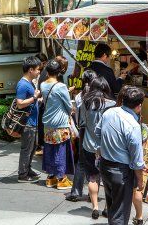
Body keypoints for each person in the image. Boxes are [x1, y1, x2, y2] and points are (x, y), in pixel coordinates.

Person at [95, 86, 145, 225]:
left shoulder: (109, 113)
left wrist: (103, 148)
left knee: (113, 207)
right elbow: (137, 160)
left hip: (105, 166)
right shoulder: (133, 125)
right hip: (121, 171)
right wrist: (140, 180)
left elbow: (97, 132)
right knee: (120, 214)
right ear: (139, 106)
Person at [81, 77, 116, 219]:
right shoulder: (112, 104)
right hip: (107, 147)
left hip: (89, 145)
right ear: (106, 88)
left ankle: (95, 207)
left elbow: (82, 121)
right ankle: (108, 208)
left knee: (92, 177)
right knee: (109, 179)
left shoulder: (86, 102)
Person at [41, 59, 74, 190]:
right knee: (60, 150)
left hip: (48, 123)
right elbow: (68, 105)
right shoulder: (61, 86)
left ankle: (51, 177)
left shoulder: (43, 85)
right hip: (60, 123)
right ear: (59, 72)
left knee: (49, 149)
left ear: (47, 72)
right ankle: (61, 179)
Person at [66, 69, 97, 202]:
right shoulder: (98, 96)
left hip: (83, 130)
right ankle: (93, 194)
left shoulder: (79, 96)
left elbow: (77, 117)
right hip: (96, 131)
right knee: (97, 162)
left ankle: (76, 192)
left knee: (82, 162)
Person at [15, 56, 42, 183]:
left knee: (33, 147)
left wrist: (38, 99)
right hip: (27, 123)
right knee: (27, 148)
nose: (39, 72)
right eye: (37, 70)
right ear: (30, 70)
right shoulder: (22, 84)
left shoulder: (30, 83)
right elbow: (20, 103)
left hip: (33, 122)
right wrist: (35, 98)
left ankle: (28, 169)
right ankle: (22, 174)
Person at [34, 53, 48, 156]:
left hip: (38, 101)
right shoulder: (42, 73)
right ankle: (40, 145)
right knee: (39, 124)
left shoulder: (42, 72)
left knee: (39, 124)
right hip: (38, 101)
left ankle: (39, 145)